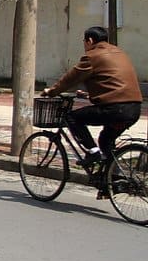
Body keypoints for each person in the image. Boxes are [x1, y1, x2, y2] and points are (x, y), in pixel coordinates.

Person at [42, 26, 142, 176]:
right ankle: (112, 179)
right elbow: (112, 82)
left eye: (84, 41)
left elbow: (71, 78)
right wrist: (88, 95)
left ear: (89, 40)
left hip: (114, 109)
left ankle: (93, 152)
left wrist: (52, 91)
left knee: (72, 117)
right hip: (134, 109)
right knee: (105, 140)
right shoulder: (119, 53)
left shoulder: (92, 56)